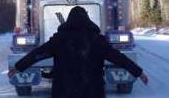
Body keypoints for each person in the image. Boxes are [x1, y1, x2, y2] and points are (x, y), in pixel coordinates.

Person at [8, 6, 148, 98]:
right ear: (88, 20)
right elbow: (119, 58)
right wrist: (139, 72)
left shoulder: (59, 39)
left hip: (64, 92)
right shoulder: (97, 40)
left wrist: (18, 67)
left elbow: (37, 54)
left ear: (69, 20)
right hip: (93, 92)